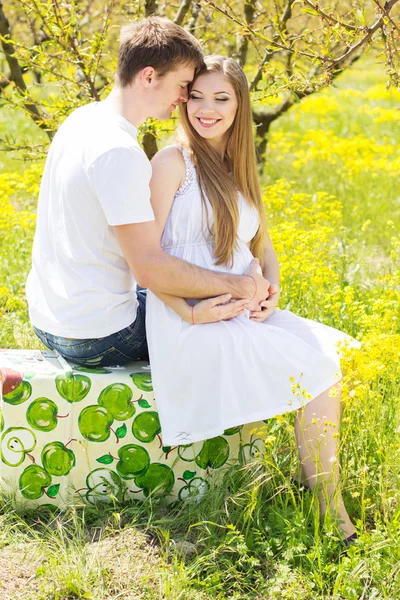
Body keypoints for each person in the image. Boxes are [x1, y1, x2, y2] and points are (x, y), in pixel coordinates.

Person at [145, 55, 361, 543]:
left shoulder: (237, 164)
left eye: (221, 98)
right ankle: (332, 512)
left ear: (240, 104)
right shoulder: (171, 163)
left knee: (337, 351)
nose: (206, 109)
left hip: (241, 309)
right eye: (196, 96)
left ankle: (311, 481)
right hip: (192, 318)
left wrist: (272, 286)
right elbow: (146, 262)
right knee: (320, 373)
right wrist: (189, 311)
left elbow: (261, 246)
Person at [27, 18, 270, 366]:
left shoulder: (82, 119)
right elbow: (149, 271)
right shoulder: (120, 152)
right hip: (101, 335)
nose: (185, 98)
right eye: (184, 85)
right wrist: (241, 287)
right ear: (149, 76)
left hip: (50, 319)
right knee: (238, 330)